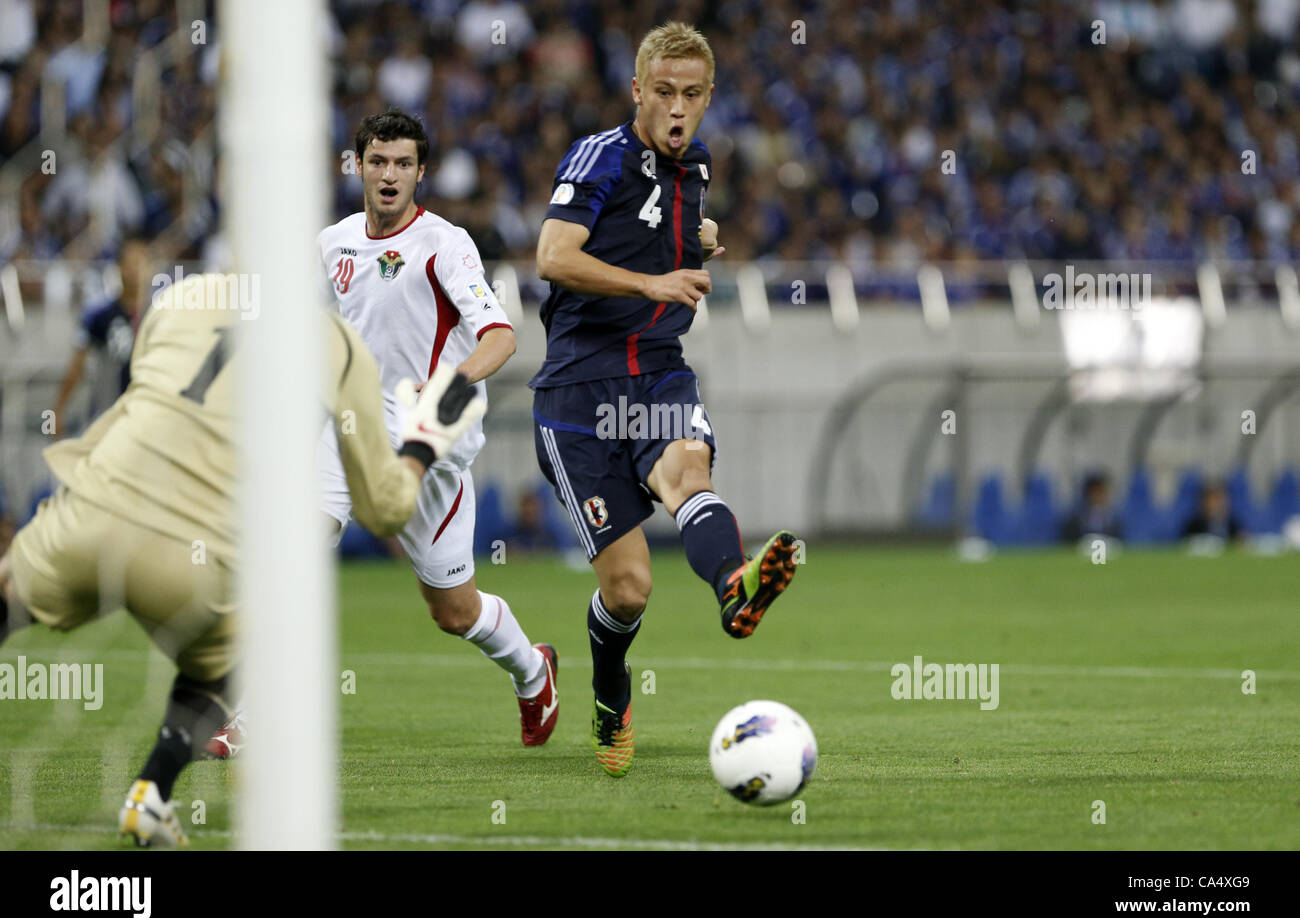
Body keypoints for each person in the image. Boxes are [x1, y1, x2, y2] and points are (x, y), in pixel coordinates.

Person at [0, 273, 484, 846]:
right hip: (187, 557)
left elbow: (147, 394)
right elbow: (384, 511)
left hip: (90, 508)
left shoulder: (177, 299)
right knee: (237, 654)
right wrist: (423, 443)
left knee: (7, 595)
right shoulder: (338, 345)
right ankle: (150, 793)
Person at [531, 22, 799, 777]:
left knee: (689, 473)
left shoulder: (698, 168)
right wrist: (653, 279)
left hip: (656, 371)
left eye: (692, 95)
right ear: (638, 92)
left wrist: (697, 241)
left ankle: (735, 586)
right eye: (664, 93)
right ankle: (610, 695)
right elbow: (553, 255)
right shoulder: (599, 155)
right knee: (630, 587)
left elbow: (668, 227)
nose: (678, 109)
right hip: (577, 391)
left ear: (709, 97)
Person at [316, 108, 559, 747]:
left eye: (402, 163)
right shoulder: (332, 244)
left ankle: (534, 672)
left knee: (454, 612)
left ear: (421, 171)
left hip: (431, 437)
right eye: (377, 161)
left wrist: (445, 389)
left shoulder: (444, 244)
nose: (389, 175)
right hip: (351, 427)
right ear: (358, 166)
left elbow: (501, 338)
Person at [51, 238, 153, 435]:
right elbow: (76, 367)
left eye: (142, 263)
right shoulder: (99, 315)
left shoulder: (160, 314)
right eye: (131, 263)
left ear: (151, 268)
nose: (136, 271)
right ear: (119, 267)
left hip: (148, 423)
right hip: (107, 418)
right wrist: (58, 410)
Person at [1061, 471, 1122, 542]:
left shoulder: (1114, 523)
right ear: (1087, 495)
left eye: (1102, 493)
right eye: (1095, 493)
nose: (1099, 497)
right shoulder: (1074, 523)